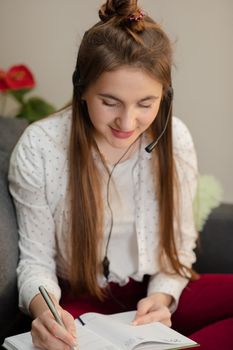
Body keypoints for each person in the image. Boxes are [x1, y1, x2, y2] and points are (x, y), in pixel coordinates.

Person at [8, 1, 233, 349]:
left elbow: (180, 247)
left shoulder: (176, 141)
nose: (127, 123)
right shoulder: (40, 147)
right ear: (81, 88)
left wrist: (163, 297)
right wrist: (47, 313)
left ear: (165, 97)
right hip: (80, 301)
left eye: (145, 104)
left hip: (153, 298)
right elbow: (35, 261)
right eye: (110, 101)